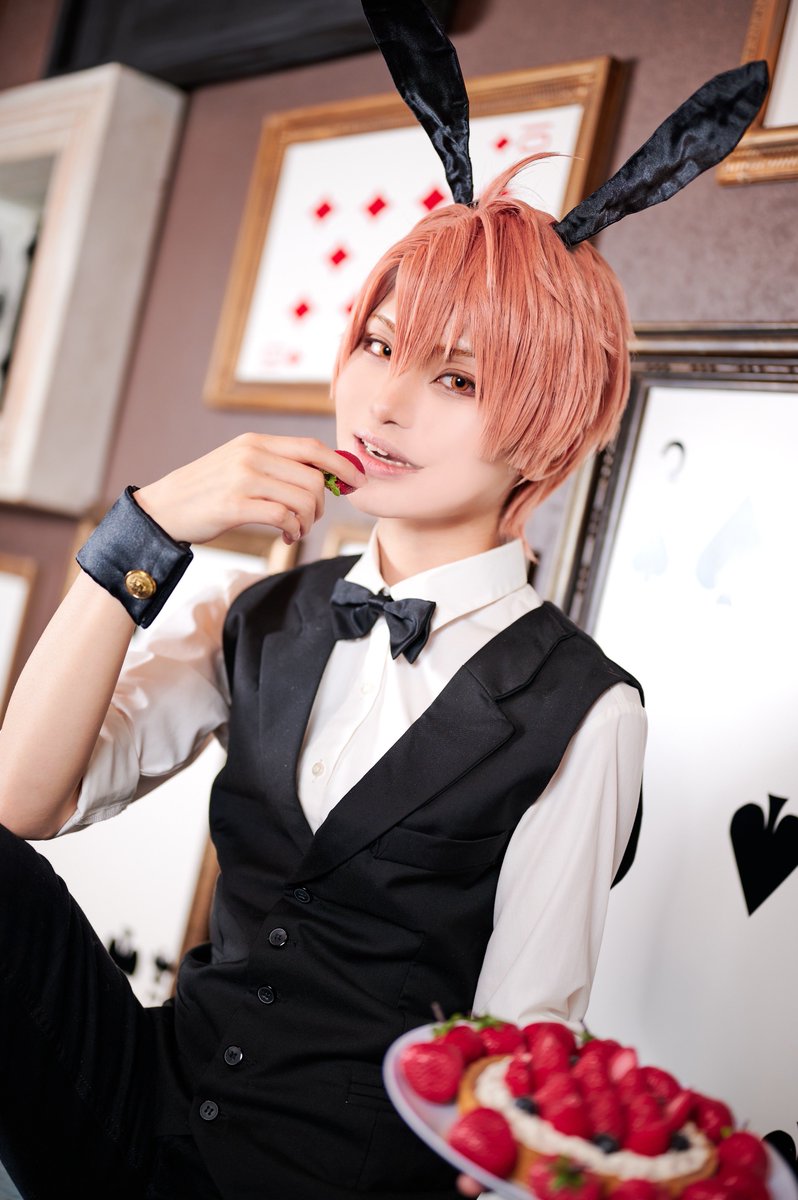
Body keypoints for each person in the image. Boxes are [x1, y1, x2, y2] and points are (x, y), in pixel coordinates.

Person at [0, 153, 646, 1200]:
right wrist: (148, 528)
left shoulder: (586, 710)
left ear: (547, 432)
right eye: (379, 346)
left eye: (456, 378)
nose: (385, 401)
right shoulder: (255, 610)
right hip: (145, 1105)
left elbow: (521, 1047)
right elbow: (19, 800)